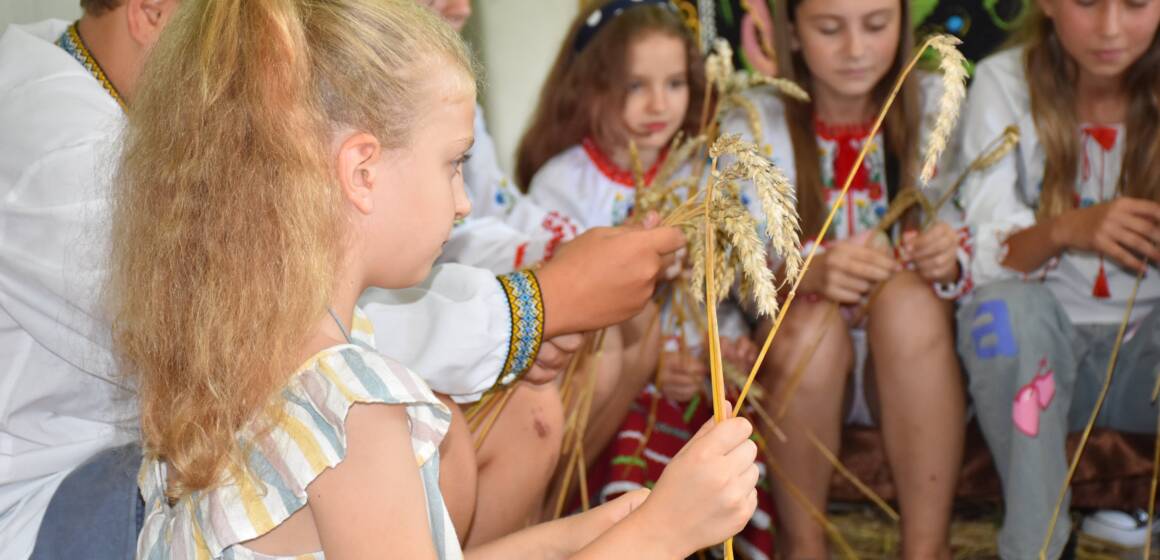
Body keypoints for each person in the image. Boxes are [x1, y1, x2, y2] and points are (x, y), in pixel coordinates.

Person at [113, 1, 758, 557]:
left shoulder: (240, 355)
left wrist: (571, 540)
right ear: (361, 171)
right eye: (454, 164)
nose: (465, 201)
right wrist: (663, 535)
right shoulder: (354, 411)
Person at [719, 0, 971, 557]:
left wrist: (945, 255)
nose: (856, 49)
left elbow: (971, 226)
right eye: (830, 28)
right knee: (808, 322)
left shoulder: (937, 104)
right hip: (802, 364)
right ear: (791, 31)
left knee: (907, 304)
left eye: (877, 25)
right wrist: (802, 272)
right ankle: (803, 547)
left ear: (904, 23)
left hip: (914, 365)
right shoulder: (752, 119)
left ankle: (925, 550)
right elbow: (732, 270)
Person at [956, 0, 1160, 557]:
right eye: (1088, 3)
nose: (1110, 28)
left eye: (1137, 4)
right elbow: (982, 257)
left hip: (1146, 369)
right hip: (1046, 367)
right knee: (999, 311)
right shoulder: (1004, 83)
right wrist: (1069, 229)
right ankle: (1037, 542)